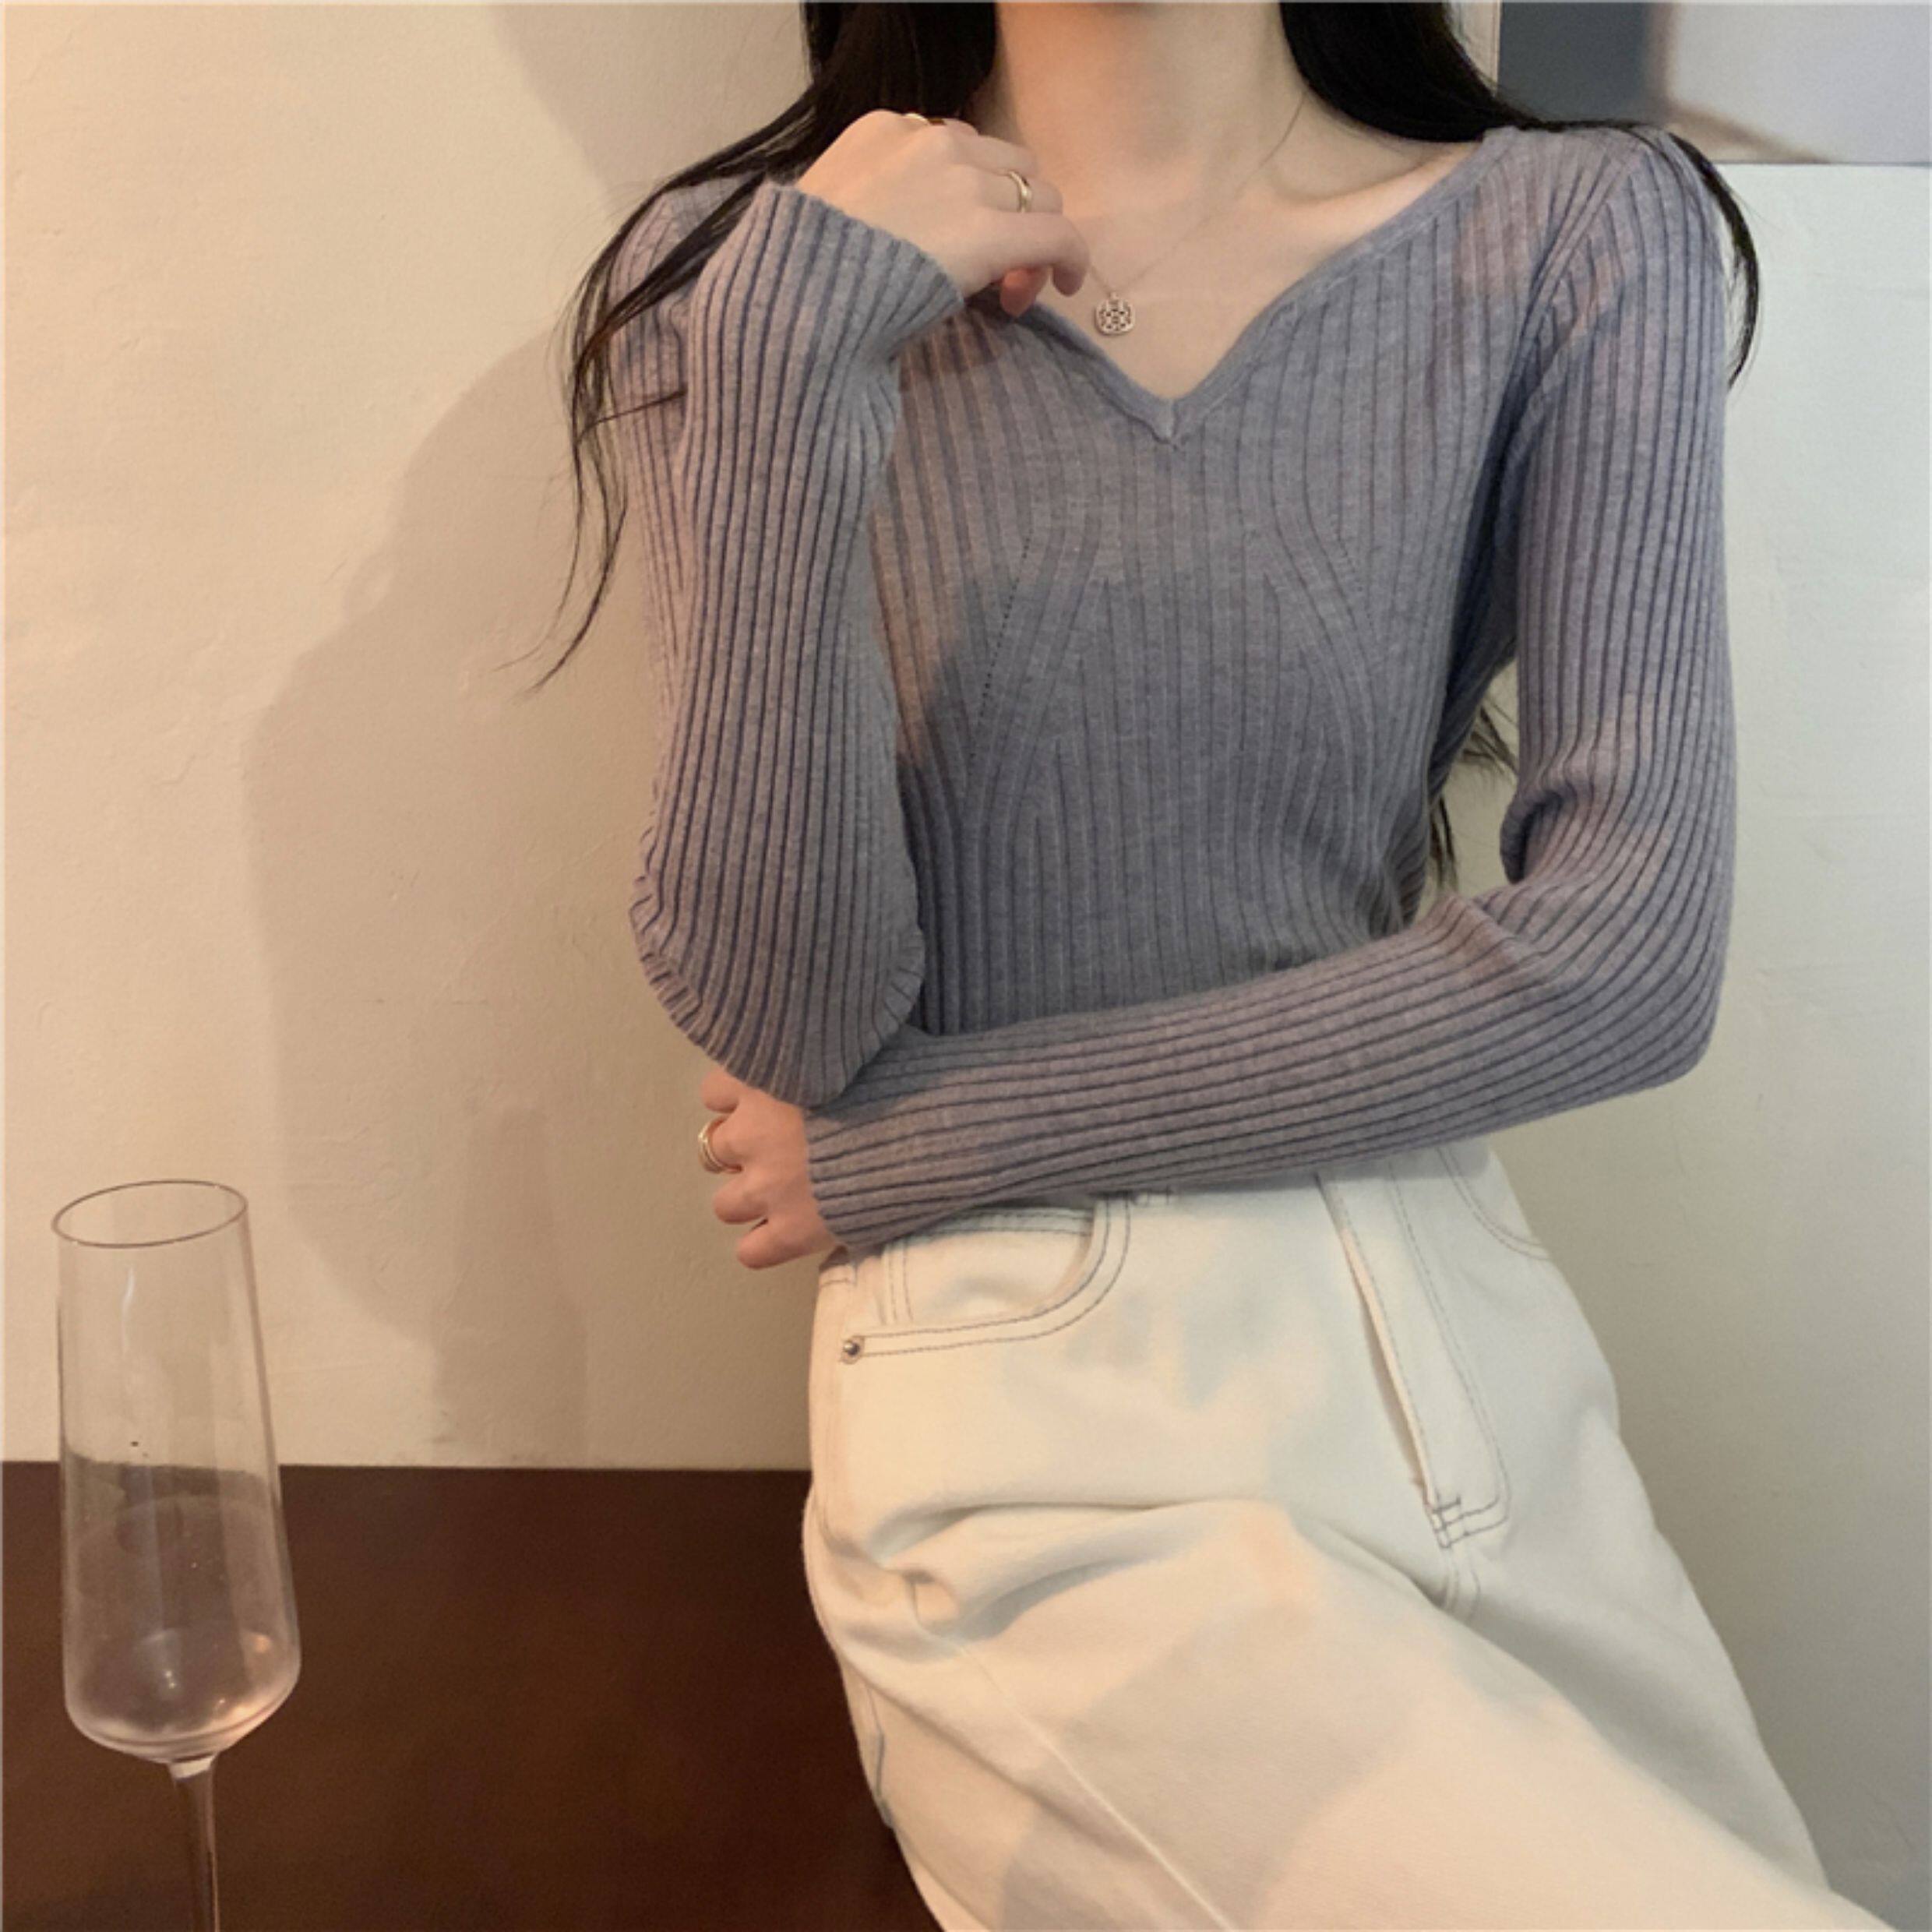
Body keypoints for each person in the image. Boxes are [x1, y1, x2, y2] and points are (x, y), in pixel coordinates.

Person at [558, 5, 1895, 1925]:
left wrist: (921, 1141)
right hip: (1040, 1431)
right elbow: (790, 1014)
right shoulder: (753, 275)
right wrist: (791, 361)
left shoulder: (1577, 231)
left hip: (1469, 1347)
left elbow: (1626, 956)